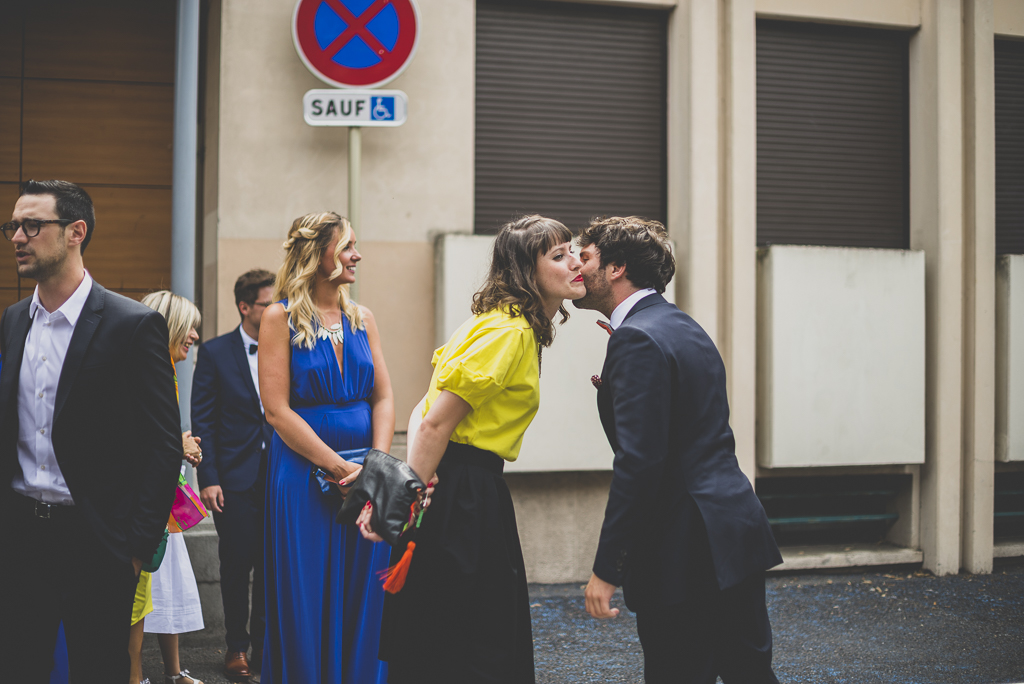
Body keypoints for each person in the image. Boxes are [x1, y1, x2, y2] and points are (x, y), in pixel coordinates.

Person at [370, 215, 585, 684]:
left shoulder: (501, 324)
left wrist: (416, 483)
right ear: (529, 272)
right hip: (466, 495)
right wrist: (406, 497)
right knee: (474, 638)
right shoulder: (508, 333)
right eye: (559, 254)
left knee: (458, 629)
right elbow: (432, 421)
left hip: (462, 487)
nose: (577, 261)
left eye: (573, 249)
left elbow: (424, 409)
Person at [572, 216, 783, 683]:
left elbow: (640, 463)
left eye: (584, 257)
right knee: (749, 672)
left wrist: (607, 569)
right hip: (733, 531)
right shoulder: (682, 325)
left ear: (615, 268)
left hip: (683, 550)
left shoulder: (637, 338)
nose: (575, 267)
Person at [0, 179, 182, 680]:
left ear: (75, 231)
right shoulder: (13, 321)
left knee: (97, 670)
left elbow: (163, 445)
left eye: (32, 225)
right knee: (20, 667)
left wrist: (136, 546)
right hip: (19, 538)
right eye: (13, 225)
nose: (17, 236)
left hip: (98, 541)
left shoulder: (132, 325)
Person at [259, 212, 395, 683]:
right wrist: (338, 468)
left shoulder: (363, 318)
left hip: (365, 473)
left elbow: (383, 396)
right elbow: (276, 410)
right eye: (347, 247)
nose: (357, 255)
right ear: (318, 255)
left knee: (365, 586)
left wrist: (374, 467)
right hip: (301, 472)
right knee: (307, 587)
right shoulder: (280, 317)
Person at [191, 268, 276, 679]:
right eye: (268, 303)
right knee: (236, 564)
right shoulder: (215, 352)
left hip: (280, 477)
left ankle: (263, 648)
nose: (278, 310)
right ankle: (235, 648)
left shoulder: (289, 347)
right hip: (234, 480)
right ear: (245, 307)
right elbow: (203, 420)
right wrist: (208, 477)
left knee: (271, 565)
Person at [136, 290, 206, 684]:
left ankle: (174, 672)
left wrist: (181, 443)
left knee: (169, 587)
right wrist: (175, 443)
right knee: (142, 594)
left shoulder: (168, 373)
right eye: (189, 326)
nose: (195, 336)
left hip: (164, 503)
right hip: (145, 505)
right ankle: (134, 675)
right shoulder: (143, 370)